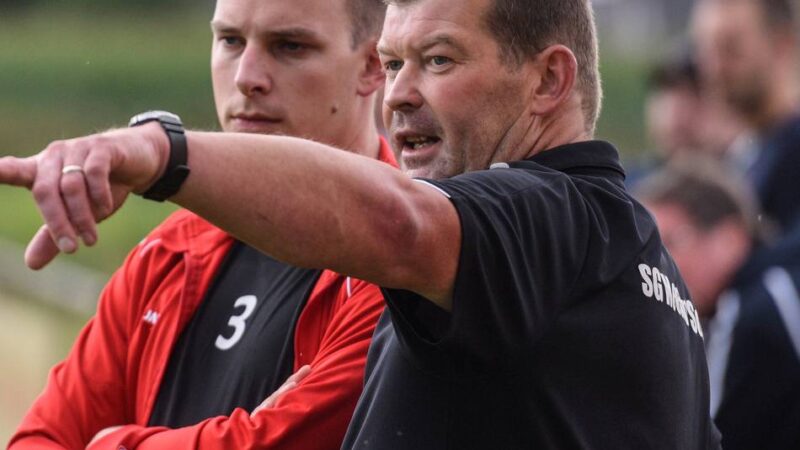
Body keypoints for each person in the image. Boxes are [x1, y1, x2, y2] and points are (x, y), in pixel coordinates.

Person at [0, 0, 721, 447]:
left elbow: (400, 223)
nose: (400, 93)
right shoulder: (644, 277)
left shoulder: (550, 215)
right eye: (395, 61)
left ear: (549, 81)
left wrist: (163, 153)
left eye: (437, 61)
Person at [7, 0, 393, 448]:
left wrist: (111, 442)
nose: (247, 77)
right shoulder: (168, 253)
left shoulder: (397, 266)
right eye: (230, 40)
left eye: (290, 46)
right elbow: (37, 439)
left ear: (372, 66)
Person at [638, 159, 800, 450]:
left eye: (671, 243)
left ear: (728, 239)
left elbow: (708, 436)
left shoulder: (754, 309)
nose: (655, 265)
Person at [692, 0, 800, 233]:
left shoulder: (791, 156)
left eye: (731, 49)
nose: (714, 68)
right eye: (706, 50)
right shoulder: (742, 153)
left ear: (781, 45)